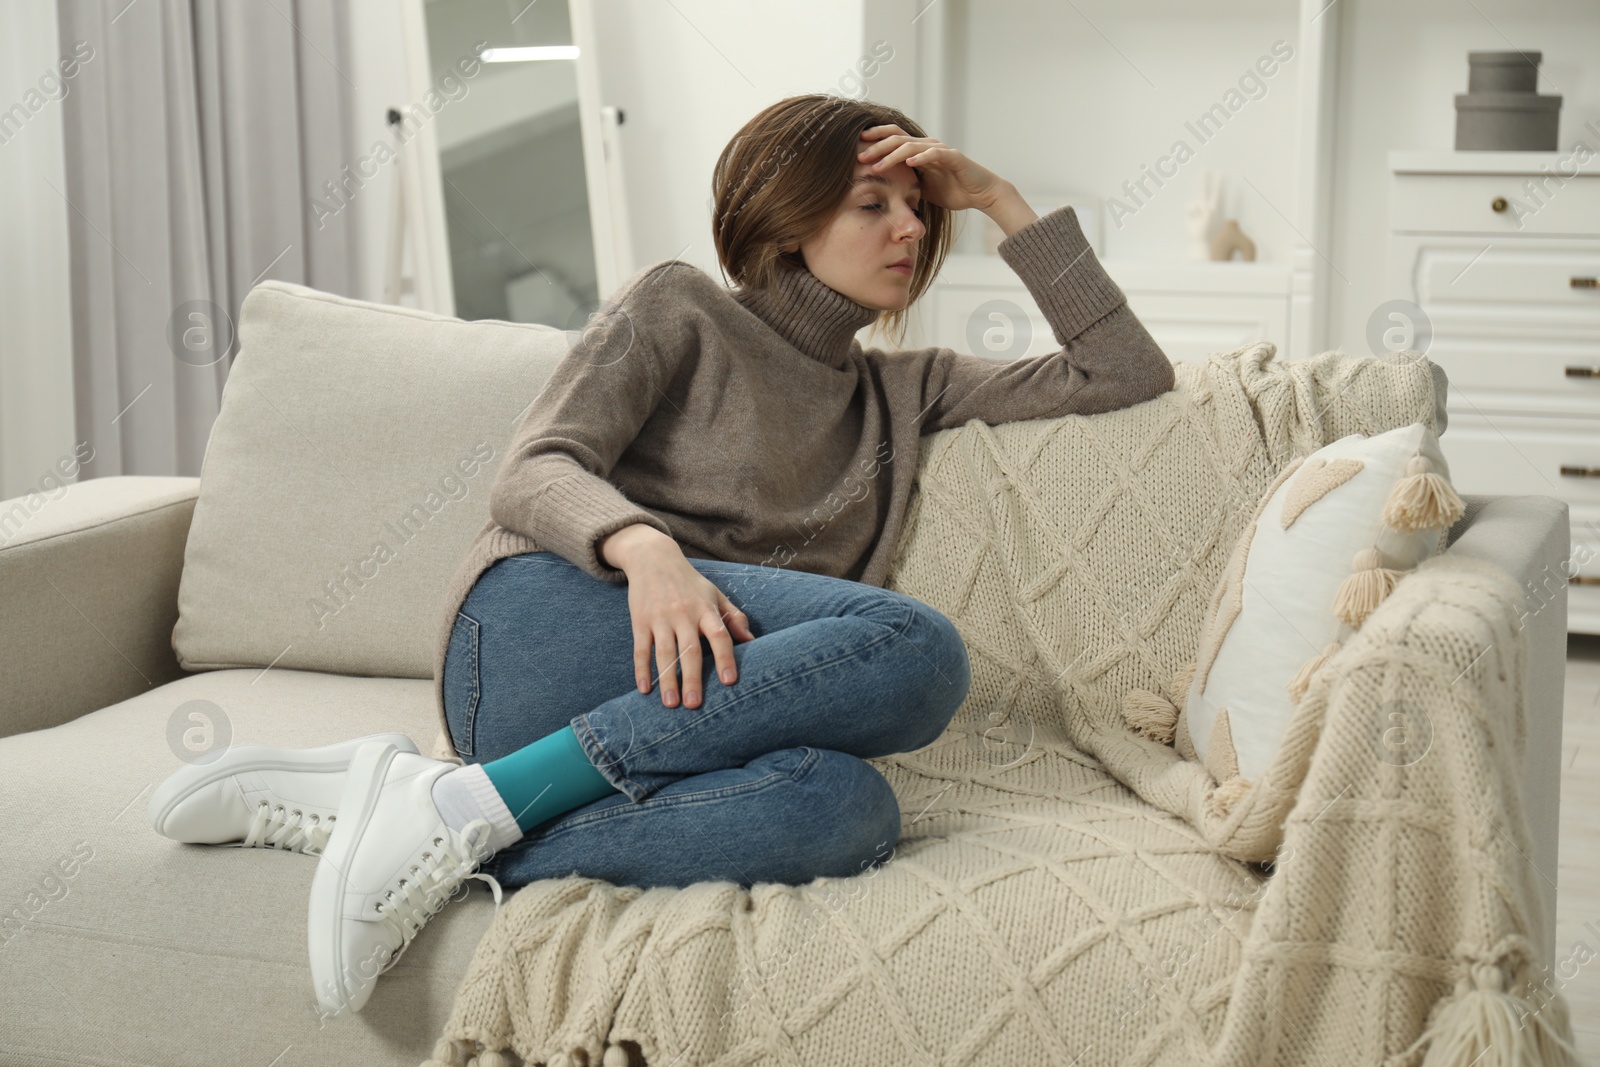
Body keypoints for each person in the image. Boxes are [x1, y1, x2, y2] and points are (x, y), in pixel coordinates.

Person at [147, 93, 1175, 1018]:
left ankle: (448, 811)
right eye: (872, 204)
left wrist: (997, 196)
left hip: (691, 706)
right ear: (786, 214)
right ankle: (467, 793)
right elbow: (535, 468)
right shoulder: (680, 306)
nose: (910, 226)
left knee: (846, 809)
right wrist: (645, 550)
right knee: (918, 650)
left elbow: (1123, 369)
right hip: (538, 629)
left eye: (920, 208)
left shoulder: (909, 390)